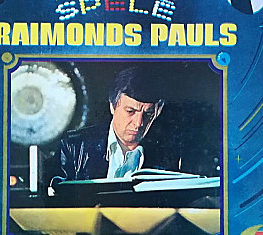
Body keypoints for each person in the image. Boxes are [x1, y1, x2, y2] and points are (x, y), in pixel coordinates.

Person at [51, 66, 180, 184]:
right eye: (130, 111)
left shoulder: (168, 155)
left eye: (148, 114)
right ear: (112, 106)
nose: (139, 123)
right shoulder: (73, 147)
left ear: (158, 112)